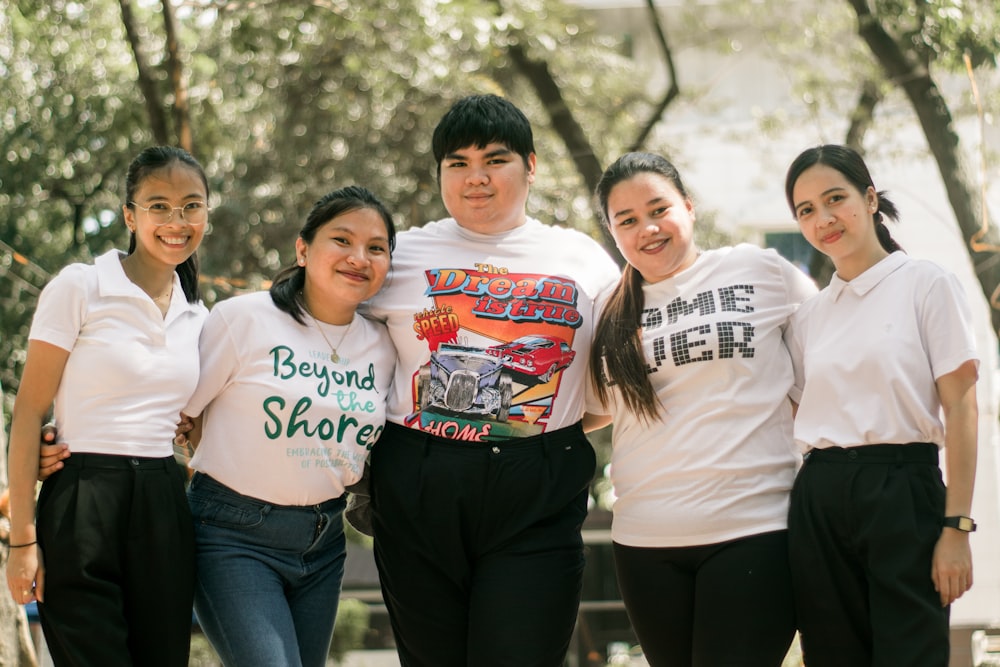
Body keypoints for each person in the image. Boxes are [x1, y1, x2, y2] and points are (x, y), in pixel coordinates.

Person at [362, 94, 621, 667]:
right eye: (457, 164)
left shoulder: (584, 259)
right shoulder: (398, 256)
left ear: (531, 166)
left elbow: (610, 384)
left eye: (494, 160)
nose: (475, 178)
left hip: (539, 487)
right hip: (419, 481)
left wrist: (544, 430)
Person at [585, 152, 816, 666]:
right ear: (613, 232)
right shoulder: (605, 308)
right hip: (644, 540)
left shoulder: (759, 271)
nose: (647, 228)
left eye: (658, 208)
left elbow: (827, 368)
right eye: (627, 220)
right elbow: (592, 409)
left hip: (754, 528)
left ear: (688, 207)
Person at [5, 145, 209, 666]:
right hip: (82, 498)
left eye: (191, 205)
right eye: (158, 205)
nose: (176, 220)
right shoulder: (81, 285)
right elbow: (29, 412)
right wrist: (23, 542)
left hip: (165, 501)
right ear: (129, 215)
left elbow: (199, 419)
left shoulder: (201, 317)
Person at [180, 185, 396, 667]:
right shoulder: (243, 319)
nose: (358, 257)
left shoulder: (384, 346)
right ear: (303, 248)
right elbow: (178, 415)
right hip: (232, 535)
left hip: (323, 540)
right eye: (341, 240)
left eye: (376, 247)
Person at [784, 144, 979, 667]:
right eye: (806, 210)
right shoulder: (809, 316)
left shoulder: (925, 283)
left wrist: (956, 528)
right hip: (820, 496)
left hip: (903, 492)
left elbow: (961, 407)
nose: (823, 219)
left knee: (910, 654)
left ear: (870, 199)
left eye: (835, 199)